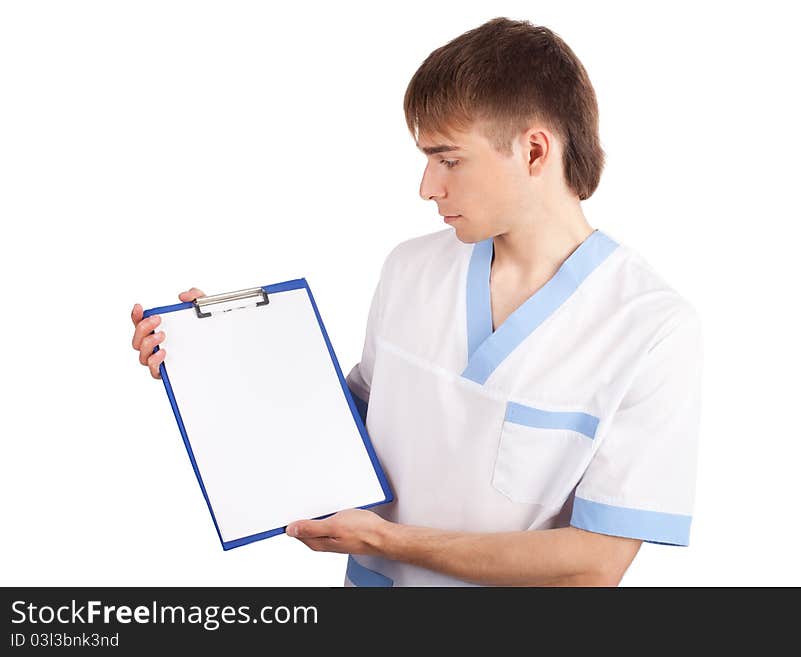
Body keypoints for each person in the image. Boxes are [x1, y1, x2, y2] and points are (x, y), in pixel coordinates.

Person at [131, 17, 702, 587]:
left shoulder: (651, 328)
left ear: (533, 151)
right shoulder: (410, 269)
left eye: (449, 160)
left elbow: (593, 567)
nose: (428, 187)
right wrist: (219, 363)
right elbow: (345, 435)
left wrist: (386, 541)